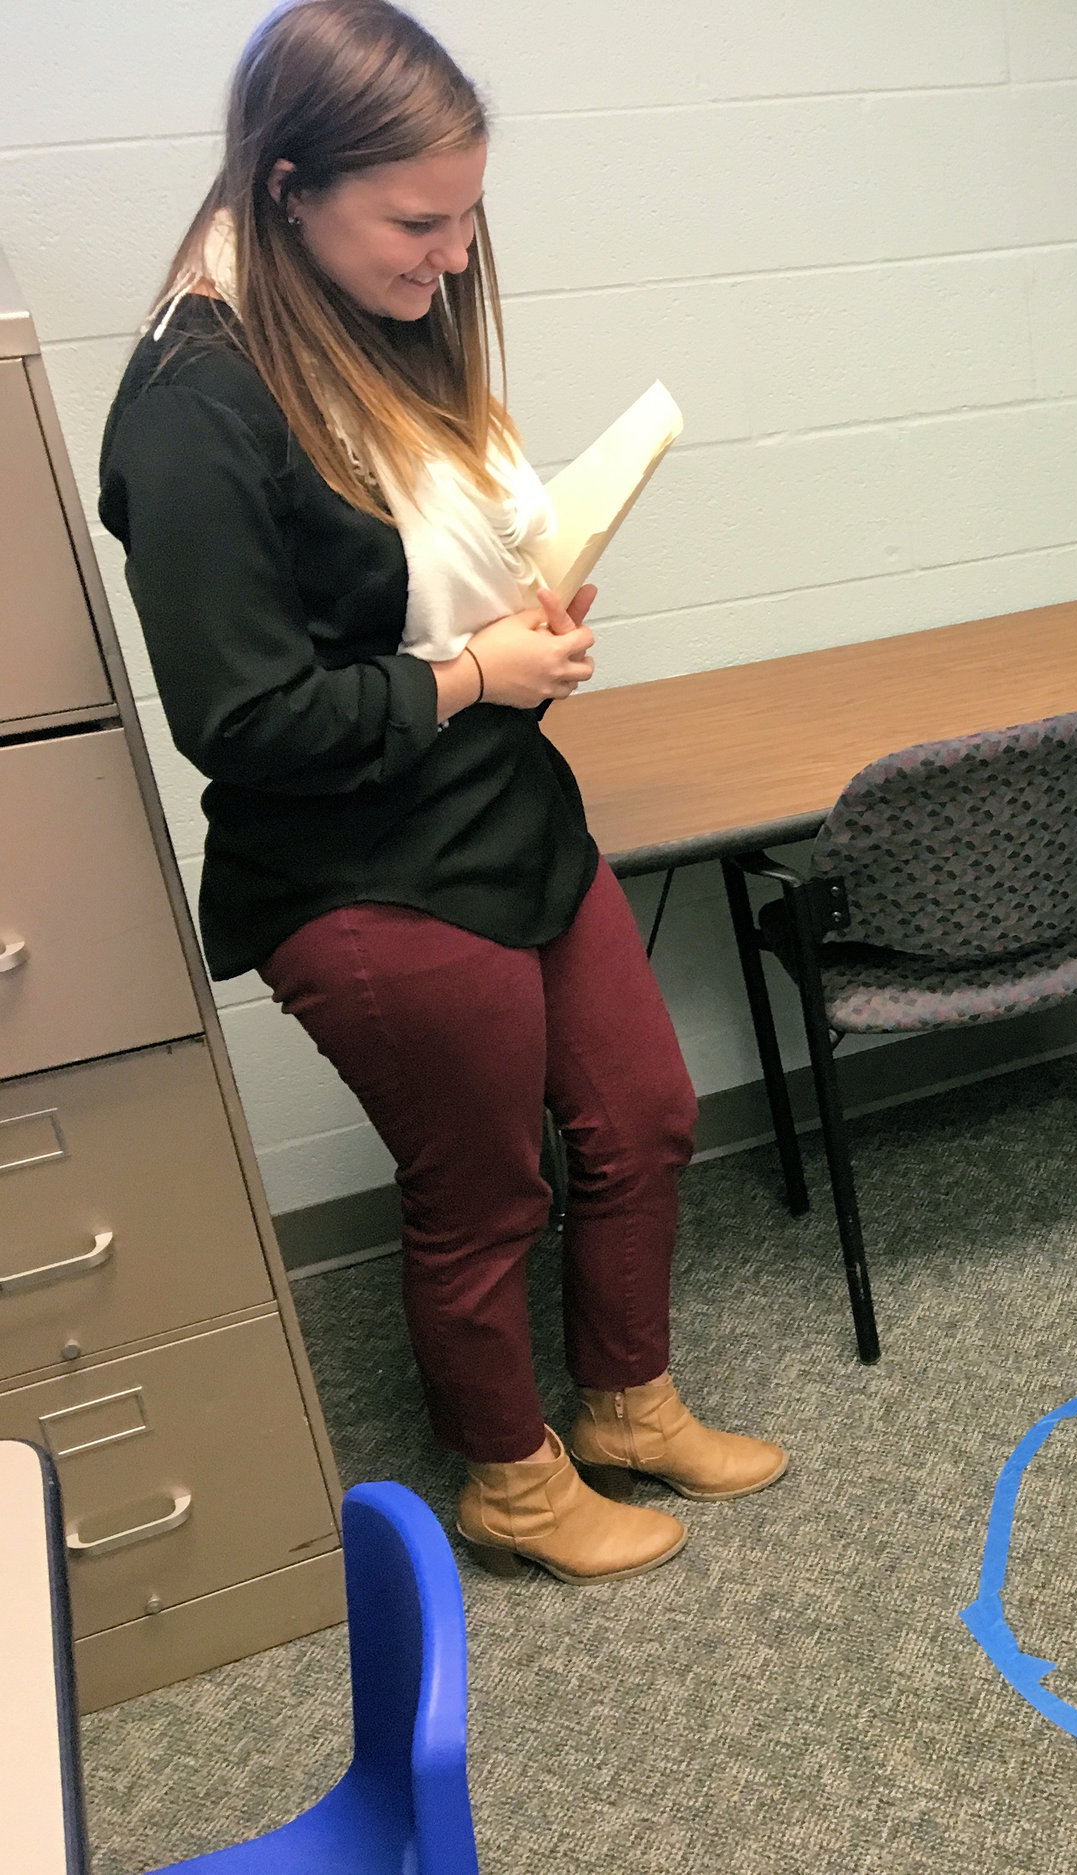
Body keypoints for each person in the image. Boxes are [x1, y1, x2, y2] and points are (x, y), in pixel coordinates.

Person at [97, 0, 786, 1585]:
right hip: (355, 867)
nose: (457, 254)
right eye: (420, 220)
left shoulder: (364, 303)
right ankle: (513, 1483)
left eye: (469, 210)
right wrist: (479, 672)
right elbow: (247, 719)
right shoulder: (196, 407)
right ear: (287, 186)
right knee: (483, 1191)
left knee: (645, 1115)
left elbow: (419, 562)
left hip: (496, 800)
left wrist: (523, 616)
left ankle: (624, 1402)